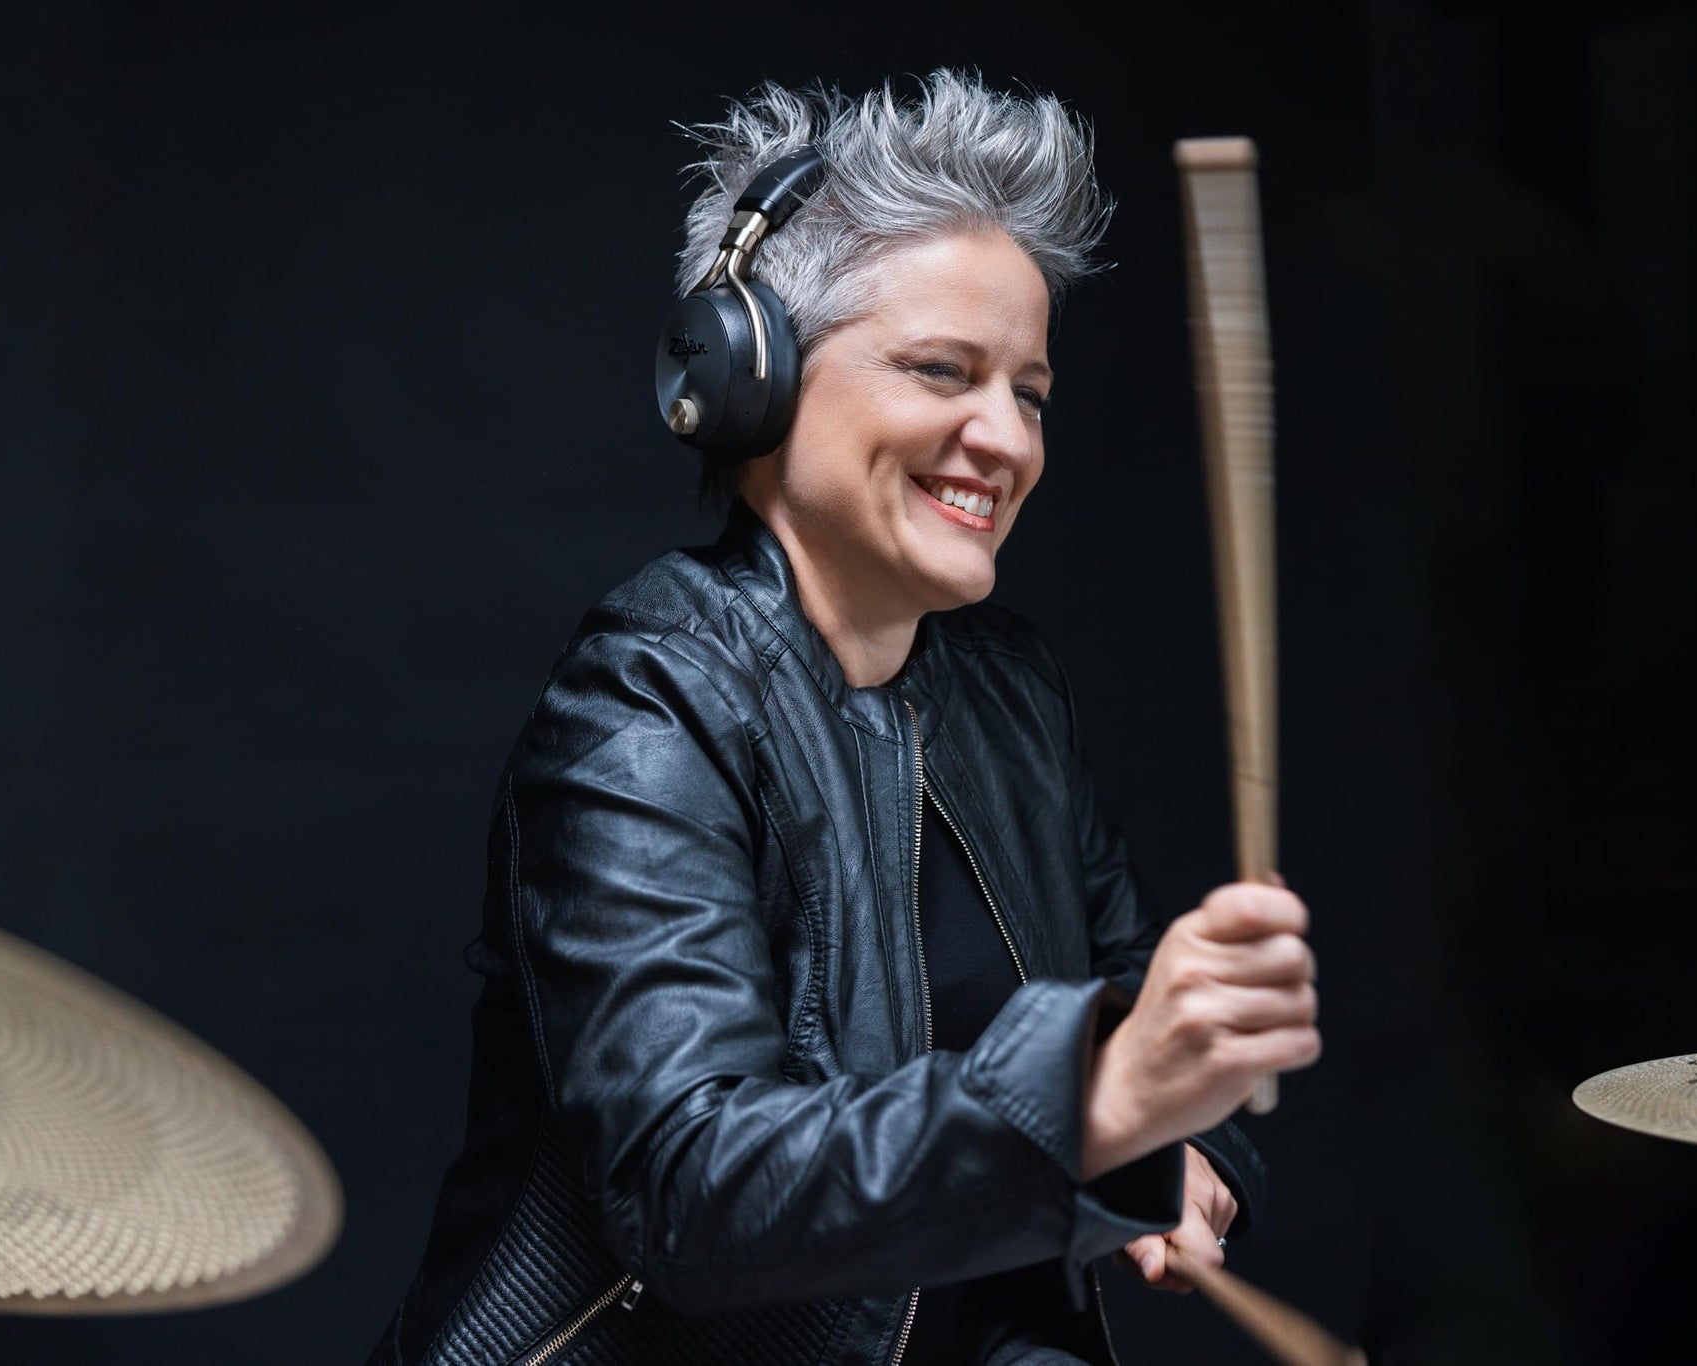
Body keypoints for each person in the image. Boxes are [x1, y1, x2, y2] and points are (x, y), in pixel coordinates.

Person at [370, 69, 1321, 1366]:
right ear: (747, 378)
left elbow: (1132, 988)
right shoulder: (643, 701)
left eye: (1030, 391)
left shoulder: (1008, 689)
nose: (1007, 439)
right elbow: (694, 1189)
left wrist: (1187, 1131)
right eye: (942, 371)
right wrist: (1088, 1102)